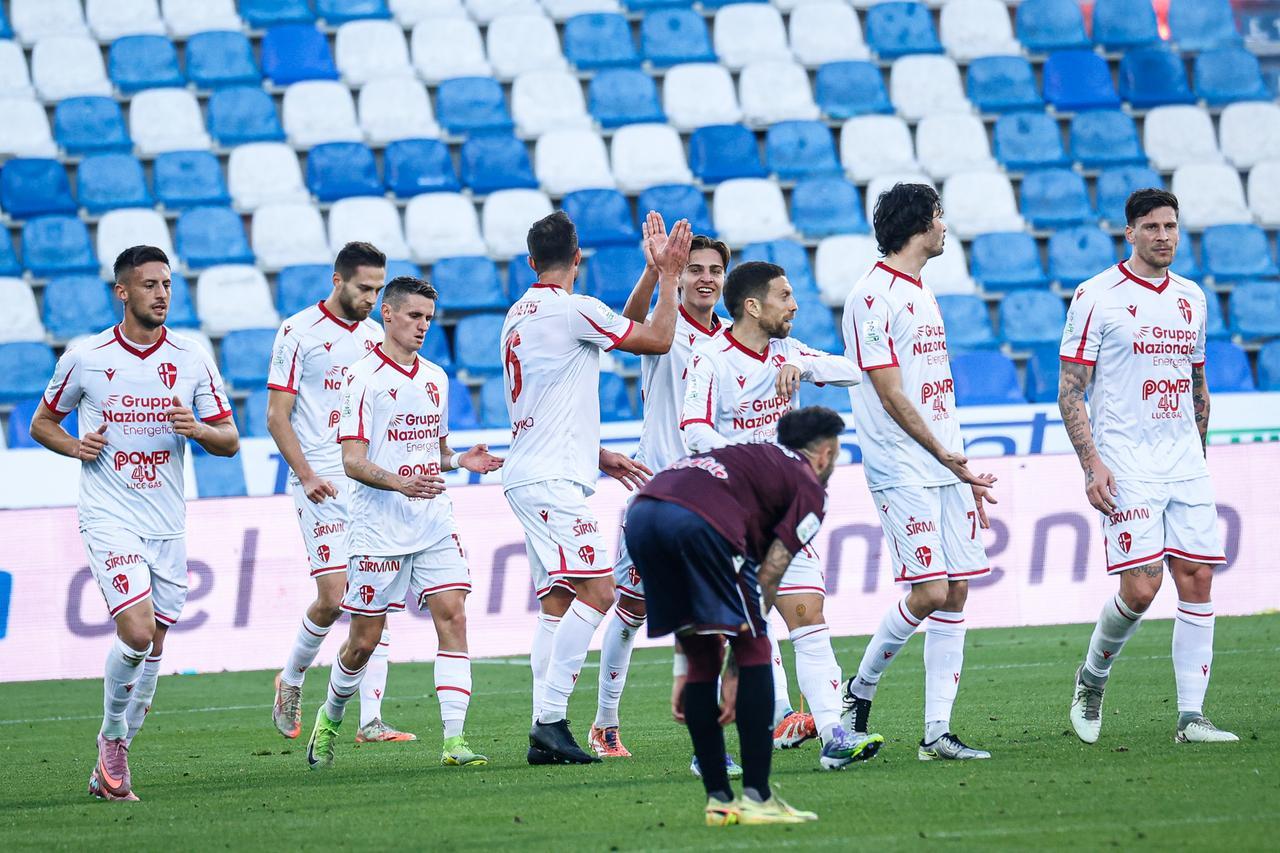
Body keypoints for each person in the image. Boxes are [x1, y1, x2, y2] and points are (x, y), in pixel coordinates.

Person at [30, 246, 240, 801]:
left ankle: (113, 753)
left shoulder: (192, 357)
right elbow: (42, 423)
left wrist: (196, 428)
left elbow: (230, 440)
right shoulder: (87, 357)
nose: (162, 293)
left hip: (167, 523)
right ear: (122, 292)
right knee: (138, 632)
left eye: (167, 284)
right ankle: (113, 740)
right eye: (149, 285)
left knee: (157, 643)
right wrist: (77, 446)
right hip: (109, 514)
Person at [501, 211, 690, 764]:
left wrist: (596, 453)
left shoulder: (517, 314)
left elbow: (545, 396)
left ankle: (545, 731)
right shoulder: (574, 309)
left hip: (536, 468)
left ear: (532, 261)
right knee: (600, 593)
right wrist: (669, 275)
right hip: (551, 480)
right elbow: (656, 339)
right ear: (576, 259)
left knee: (558, 602)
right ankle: (551, 721)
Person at [681, 261, 877, 769]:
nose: (794, 305)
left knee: (808, 616)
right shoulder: (711, 360)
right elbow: (694, 431)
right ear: (752, 305)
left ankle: (834, 734)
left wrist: (806, 368)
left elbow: (853, 370)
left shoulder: (788, 351)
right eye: (784, 296)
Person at [1059, 188, 1236, 745]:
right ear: (1129, 232)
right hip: (1127, 461)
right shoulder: (1096, 296)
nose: (1165, 237)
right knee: (1141, 588)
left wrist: (1199, 454)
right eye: (1153, 227)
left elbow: (1198, 386)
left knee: (1198, 577)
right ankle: (1092, 677)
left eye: (1172, 227)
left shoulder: (1193, 298)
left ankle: (1191, 717)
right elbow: (1070, 389)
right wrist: (1092, 465)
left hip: (1184, 461)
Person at [306, 276, 503, 769]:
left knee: (453, 616)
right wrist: (399, 484)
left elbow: (434, 453)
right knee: (363, 642)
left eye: (429, 319)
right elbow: (351, 460)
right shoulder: (361, 378)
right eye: (414, 316)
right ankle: (330, 717)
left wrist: (460, 462)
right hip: (378, 529)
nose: (422, 327)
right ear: (387, 315)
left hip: (433, 519)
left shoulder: (435, 377)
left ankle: (454, 741)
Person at [625, 406, 846, 825]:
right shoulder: (809, 487)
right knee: (756, 645)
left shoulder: (750, 457)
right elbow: (772, 571)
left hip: (642, 515)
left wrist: (684, 671)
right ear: (826, 453)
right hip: (698, 522)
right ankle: (758, 798)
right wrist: (736, 667)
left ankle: (719, 803)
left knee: (702, 656)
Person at [840, 183, 997, 761]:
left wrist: (963, 471)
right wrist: (942, 455)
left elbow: (936, 395)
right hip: (902, 464)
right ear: (919, 222)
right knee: (928, 589)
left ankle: (937, 733)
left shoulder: (922, 293)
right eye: (938, 215)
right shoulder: (870, 295)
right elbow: (889, 394)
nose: (944, 226)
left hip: (942, 463)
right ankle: (860, 690)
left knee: (956, 591)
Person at [588, 214, 730, 764]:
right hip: (657, 488)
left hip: (715, 493)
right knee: (631, 608)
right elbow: (626, 326)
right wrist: (655, 273)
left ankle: (772, 714)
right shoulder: (664, 325)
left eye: (714, 270)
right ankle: (605, 723)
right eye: (694, 268)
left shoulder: (734, 340)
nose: (705, 279)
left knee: (722, 610)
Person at [268, 242, 416, 745]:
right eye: (364, 288)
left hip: (366, 483)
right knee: (333, 597)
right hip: (320, 484)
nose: (373, 298)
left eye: (379, 289)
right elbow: (276, 416)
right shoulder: (297, 332)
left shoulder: (377, 337)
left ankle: (370, 721)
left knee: (374, 595)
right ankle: (290, 678)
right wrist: (307, 474)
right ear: (337, 281)